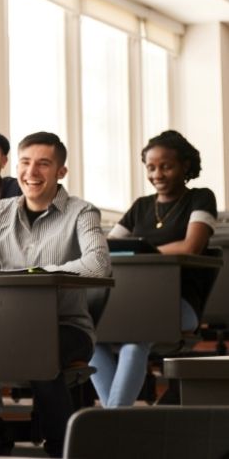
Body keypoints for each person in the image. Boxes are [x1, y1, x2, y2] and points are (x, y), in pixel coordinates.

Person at [0, 131, 111, 457]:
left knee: (38, 350)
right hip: (10, 325)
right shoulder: (2, 211)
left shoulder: (83, 212)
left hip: (68, 328)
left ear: (61, 172)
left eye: (43, 164)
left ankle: (63, 447)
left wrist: (41, 274)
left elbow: (98, 267)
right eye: (25, 163)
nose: (31, 172)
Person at [90, 130, 217, 407]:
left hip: (180, 302)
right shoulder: (141, 206)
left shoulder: (201, 197)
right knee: (90, 340)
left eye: (166, 166)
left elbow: (191, 246)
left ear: (185, 166)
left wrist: (144, 251)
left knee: (135, 343)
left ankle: (112, 423)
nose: (157, 174)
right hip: (133, 300)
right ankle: (117, 423)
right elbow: (108, 248)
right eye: (151, 167)